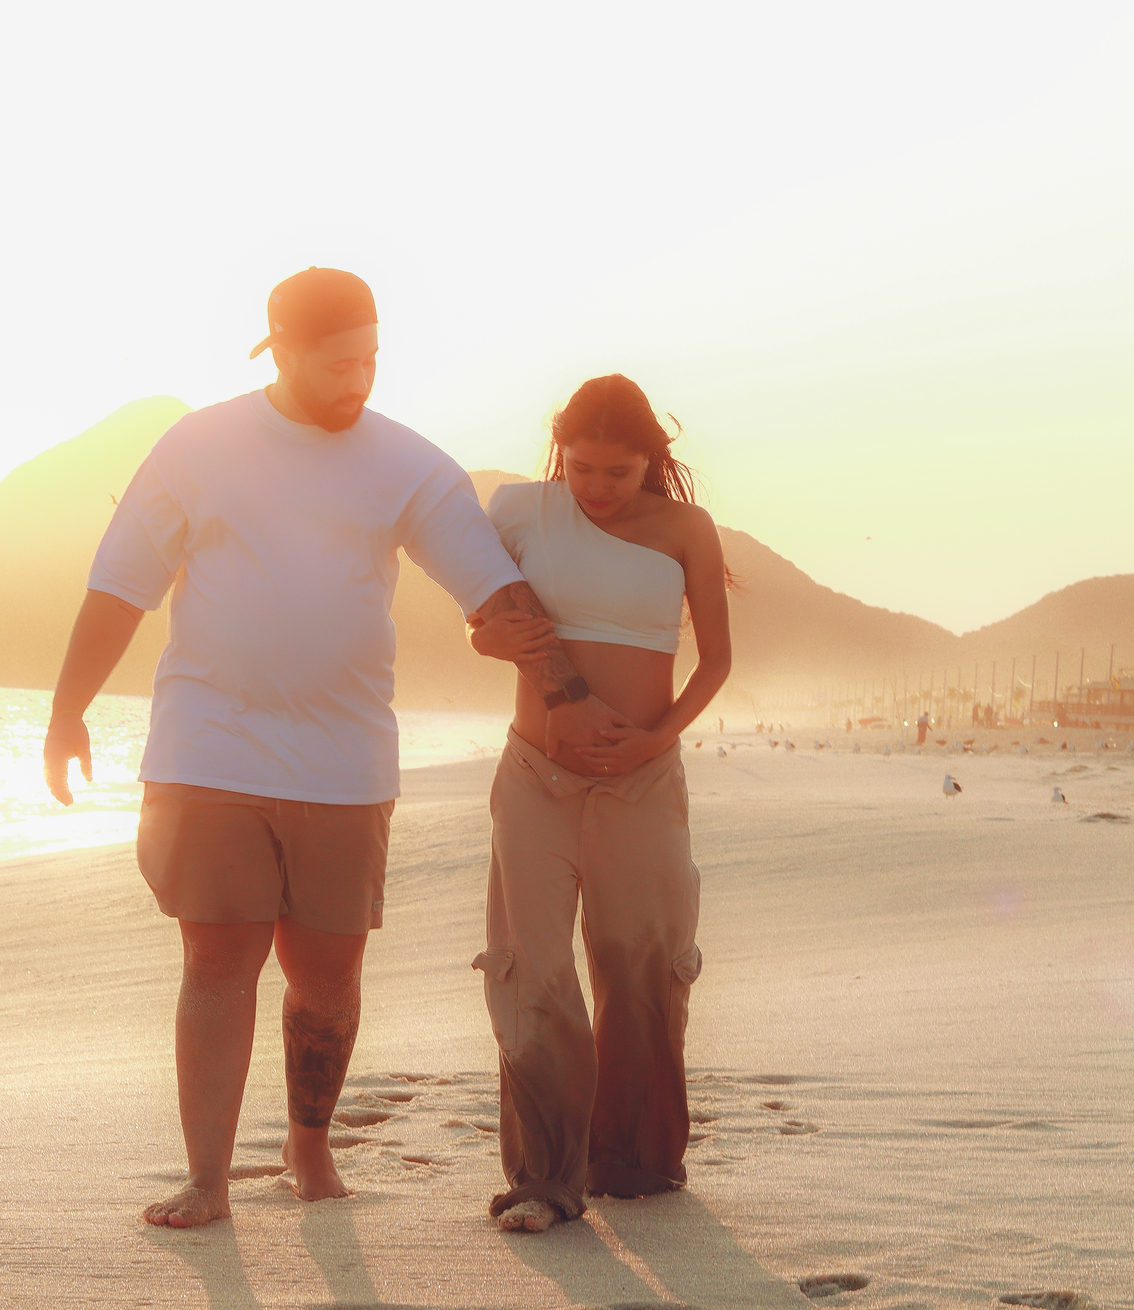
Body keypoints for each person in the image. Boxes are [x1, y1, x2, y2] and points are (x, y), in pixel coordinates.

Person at [42, 268, 623, 1229]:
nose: (360, 380)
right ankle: (208, 1180)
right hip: (207, 753)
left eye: (373, 361)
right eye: (340, 362)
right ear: (279, 341)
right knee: (216, 964)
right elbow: (120, 586)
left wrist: (573, 698)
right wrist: (67, 714)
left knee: (327, 979)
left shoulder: (409, 465)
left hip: (344, 764)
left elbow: (493, 592)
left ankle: (307, 1150)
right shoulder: (200, 446)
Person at [467, 374, 731, 1233]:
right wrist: (485, 639)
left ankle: (633, 1161)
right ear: (560, 450)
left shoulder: (687, 530)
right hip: (534, 777)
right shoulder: (521, 512)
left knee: (642, 965)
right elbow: (484, 622)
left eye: (618, 473)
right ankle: (545, 1179)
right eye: (582, 468)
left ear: (652, 461)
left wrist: (658, 740)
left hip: (644, 782)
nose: (597, 489)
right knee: (532, 967)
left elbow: (717, 664)